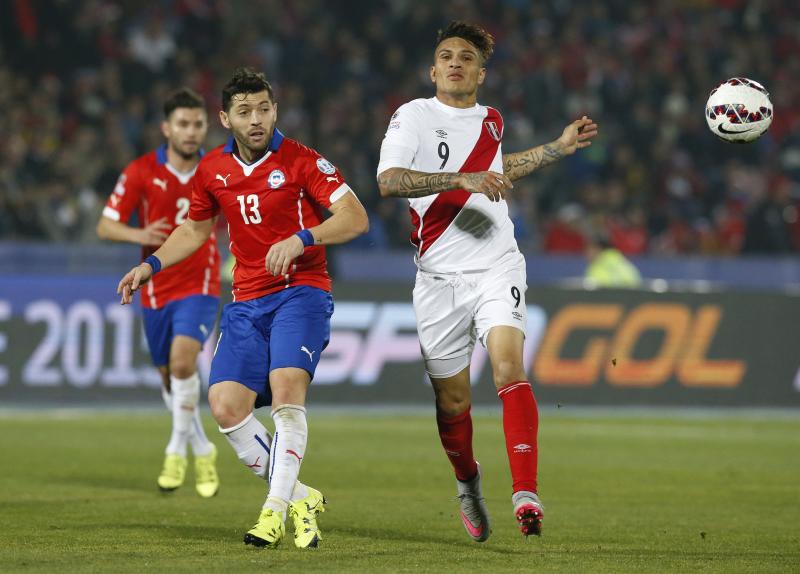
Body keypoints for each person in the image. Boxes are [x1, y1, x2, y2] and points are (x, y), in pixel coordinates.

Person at [117, 67, 369, 549]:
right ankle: (301, 496)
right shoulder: (213, 169)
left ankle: (273, 512)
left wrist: (303, 238)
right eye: (244, 111)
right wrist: (151, 265)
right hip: (247, 300)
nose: (256, 119)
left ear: (275, 110)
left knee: (285, 391)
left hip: (301, 291)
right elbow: (194, 230)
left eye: (264, 108)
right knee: (225, 406)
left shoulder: (303, 161)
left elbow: (355, 216)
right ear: (225, 117)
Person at [377, 21, 598, 540]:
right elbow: (388, 182)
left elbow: (499, 172)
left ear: (481, 71)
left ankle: (526, 493)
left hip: (498, 264)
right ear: (433, 70)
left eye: (467, 57)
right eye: (446, 55)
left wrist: (556, 148)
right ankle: (468, 484)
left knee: (507, 367)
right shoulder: (413, 116)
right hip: (438, 278)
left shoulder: (491, 121)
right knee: (452, 402)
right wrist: (459, 177)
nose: (456, 62)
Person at [97, 87, 221, 498]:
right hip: (153, 286)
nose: (191, 132)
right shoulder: (140, 171)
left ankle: (174, 451)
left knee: (184, 361)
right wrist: (139, 233)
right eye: (183, 124)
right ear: (167, 128)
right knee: (170, 380)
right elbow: (106, 224)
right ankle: (202, 448)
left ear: (207, 126)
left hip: (200, 283)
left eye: (198, 124)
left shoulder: (218, 170)